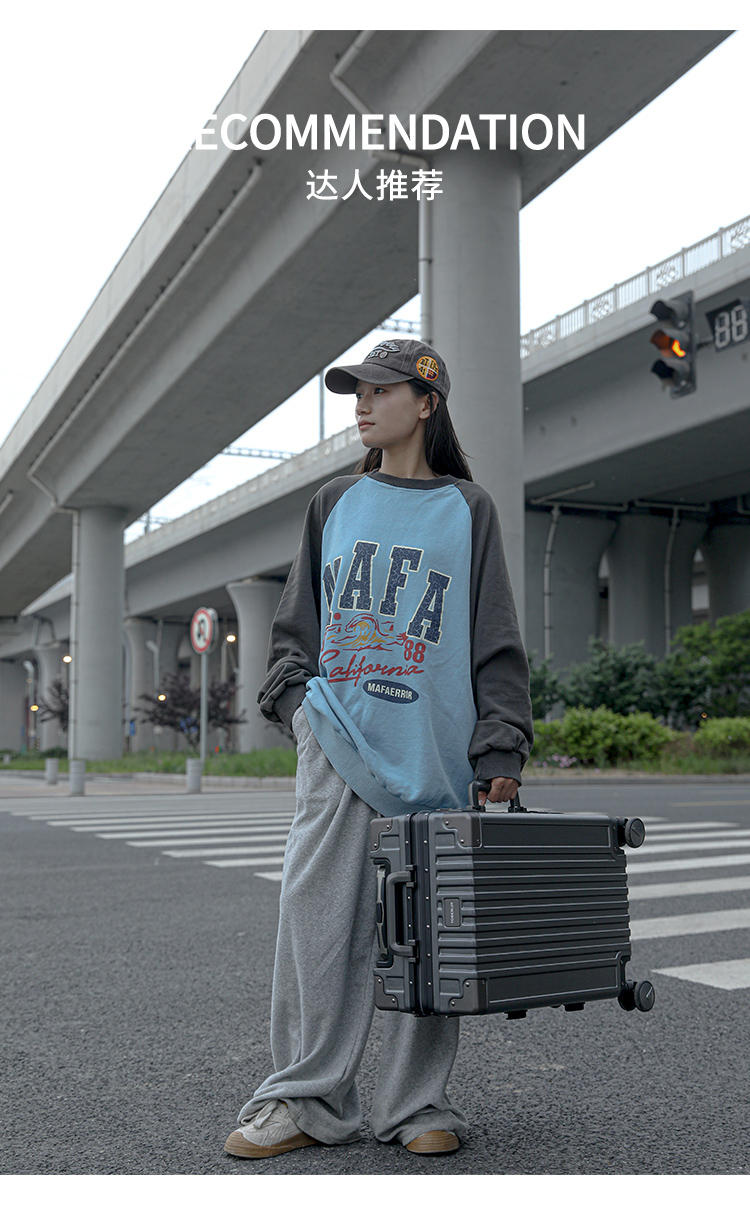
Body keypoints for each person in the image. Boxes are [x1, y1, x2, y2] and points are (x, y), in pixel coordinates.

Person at [224, 338, 533, 1160]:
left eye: (380, 390)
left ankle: (414, 1102)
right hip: (339, 747)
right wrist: (303, 714)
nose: (362, 404)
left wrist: (499, 748)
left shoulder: (469, 509)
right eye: (356, 392)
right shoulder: (334, 502)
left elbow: (495, 639)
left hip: (435, 758)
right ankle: (306, 1100)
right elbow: (295, 631)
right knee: (316, 929)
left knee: (426, 940)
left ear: (426, 403)